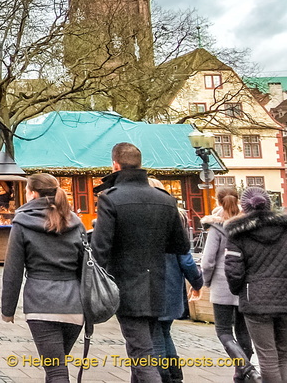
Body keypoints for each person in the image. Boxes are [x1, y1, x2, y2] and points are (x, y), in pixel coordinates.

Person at [91, 143, 190, 383]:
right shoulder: (165, 200)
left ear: (115, 164)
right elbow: (181, 246)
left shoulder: (111, 199)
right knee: (142, 348)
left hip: (126, 285)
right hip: (157, 284)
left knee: (141, 354)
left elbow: (100, 249)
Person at [1, 173, 85, 383]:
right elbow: (86, 266)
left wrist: (7, 310)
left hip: (41, 303)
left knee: (55, 370)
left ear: (33, 193)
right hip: (74, 305)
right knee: (57, 365)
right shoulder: (74, 221)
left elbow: (13, 270)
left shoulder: (22, 223)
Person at [225, 186, 287, 383]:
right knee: (284, 353)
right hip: (285, 298)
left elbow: (233, 272)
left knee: (267, 356)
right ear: (269, 204)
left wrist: (240, 291)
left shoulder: (237, 234)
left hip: (256, 301)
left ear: (244, 208)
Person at [201, 187, 260, 383]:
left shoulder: (217, 228)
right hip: (245, 285)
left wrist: (206, 281)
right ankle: (240, 374)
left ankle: (246, 369)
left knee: (224, 331)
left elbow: (208, 261)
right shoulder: (249, 227)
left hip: (222, 284)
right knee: (244, 332)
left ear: (218, 202)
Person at [147, 179, 203, 383]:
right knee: (165, 331)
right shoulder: (177, 217)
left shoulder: (146, 218)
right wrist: (196, 282)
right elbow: (186, 258)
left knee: (156, 338)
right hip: (171, 286)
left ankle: (163, 378)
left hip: (151, 285)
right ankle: (175, 377)